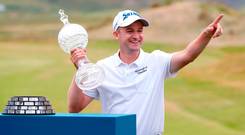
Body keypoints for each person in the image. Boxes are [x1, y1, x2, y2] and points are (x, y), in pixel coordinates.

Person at [67, 10, 223, 135]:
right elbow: (75, 107)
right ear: (116, 34)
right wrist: (81, 69)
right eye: (129, 31)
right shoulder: (103, 67)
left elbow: (188, 55)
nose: (136, 36)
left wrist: (206, 34)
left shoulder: (157, 61)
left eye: (139, 30)